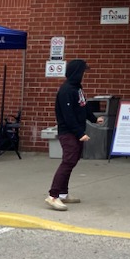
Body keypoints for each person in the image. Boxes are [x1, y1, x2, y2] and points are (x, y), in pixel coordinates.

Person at [46, 59, 95, 211]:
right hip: (68, 132)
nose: (84, 75)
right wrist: (80, 133)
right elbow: (68, 116)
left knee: (71, 161)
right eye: (82, 72)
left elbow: (83, 106)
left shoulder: (77, 89)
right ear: (76, 72)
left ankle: (63, 194)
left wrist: (94, 119)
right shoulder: (66, 90)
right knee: (68, 162)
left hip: (76, 131)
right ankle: (53, 196)